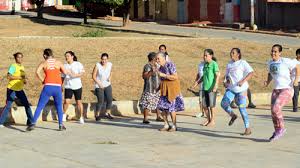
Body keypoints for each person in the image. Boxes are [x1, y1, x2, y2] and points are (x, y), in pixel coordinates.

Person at [27, 48, 69, 131]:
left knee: (40, 106)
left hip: (48, 86)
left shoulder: (44, 63)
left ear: (45, 55)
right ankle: (60, 125)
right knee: (59, 106)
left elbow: (37, 72)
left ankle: (33, 123)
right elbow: (65, 72)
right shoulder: (58, 62)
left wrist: (43, 80)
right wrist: (59, 78)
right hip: (57, 87)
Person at [264, 44, 300, 141]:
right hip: (276, 90)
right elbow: (270, 73)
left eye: (275, 51)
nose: (273, 53)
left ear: (280, 53)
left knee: (276, 108)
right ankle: (277, 131)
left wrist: (296, 79)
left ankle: (281, 128)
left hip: (287, 89)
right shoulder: (270, 62)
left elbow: (297, 66)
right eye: (272, 51)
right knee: (273, 112)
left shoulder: (285, 61)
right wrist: (267, 81)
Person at [221, 48, 254, 135]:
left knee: (242, 108)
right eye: (231, 52)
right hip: (231, 89)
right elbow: (228, 77)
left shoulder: (242, 63)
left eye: (233, 53)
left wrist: (243, 81)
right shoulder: (229, 64)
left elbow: (251, 73)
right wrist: (226, 83)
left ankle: (248, 128)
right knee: (223, 103)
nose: (231, 54)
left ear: (238, 54)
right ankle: (233, 115)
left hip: (242, 91)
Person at [0, 52, 34, 128]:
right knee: (8, 105)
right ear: (15, 58)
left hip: (20, 89)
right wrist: (19, 78)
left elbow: (23, 77)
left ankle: (31, 122)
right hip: (12, 89)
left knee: (26, 104)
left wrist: (24, 81)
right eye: (18, 57)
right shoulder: (13, 66)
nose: (20, 59)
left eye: (21, 57)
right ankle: (0, 122)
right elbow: (8, 76)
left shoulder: (22, 67)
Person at [156, 52, 184, 132]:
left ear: (164, 58)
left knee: (172, 109)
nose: (157, 60)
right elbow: (162, 80)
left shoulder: (170, 65)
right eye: (156, 59)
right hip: (164, 90)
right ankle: (166, 124)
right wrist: (157, 88)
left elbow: (175, 77)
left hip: (172, 90)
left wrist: (164, 75)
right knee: (161, 107)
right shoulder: (160, 68)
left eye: (158, 58)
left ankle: (174, 126)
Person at [139, 52, 163, 124]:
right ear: (153, 58)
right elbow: (144, 77)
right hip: (149, 89)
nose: (157, 59)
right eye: (156, 58)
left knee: (158, 102)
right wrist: (151, 71)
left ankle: (158, 116)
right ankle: (145, 118)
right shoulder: (147, 66)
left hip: (157, 88)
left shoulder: (158, 66)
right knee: (147, 103)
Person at [62, 51, 85, 124]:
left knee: (78, 102)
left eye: (68, 56)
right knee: (66, 102)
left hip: (77, 86)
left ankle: (81, 117)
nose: (66, 57)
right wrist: (60, 85)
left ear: (72, 56)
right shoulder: (64, 65)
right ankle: (63, 115)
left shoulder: (78, 64)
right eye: (66, 56)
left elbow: (82, 72)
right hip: (68, 86)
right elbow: (62, 76)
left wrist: (76, 75)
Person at [201, 49, 220, 127]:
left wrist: (215, 86)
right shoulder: (205, 64)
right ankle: (208, 119)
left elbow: (217, 75)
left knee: (211, 106)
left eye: (206, 55)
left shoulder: (214, 64)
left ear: (211, 56)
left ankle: (213, 121)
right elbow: (203, 76)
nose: (204, 57)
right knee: (204, 105)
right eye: (204, 55)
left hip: (211, 88)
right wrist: (196, 83)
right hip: (205, 87)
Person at [92, 53, 114, 121]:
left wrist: (110, 78)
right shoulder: (97, 65)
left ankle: (107, 113)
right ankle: (97, 114)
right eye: (102, 59)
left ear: (107, 59)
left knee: (109, 99)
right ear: (101, 59)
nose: (104, 61)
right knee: (100, 100)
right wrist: (99, 84)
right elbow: (93, 76)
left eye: (105, 59)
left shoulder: (110, 64)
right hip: (99, 85)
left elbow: (111, 72)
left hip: (107, 84)